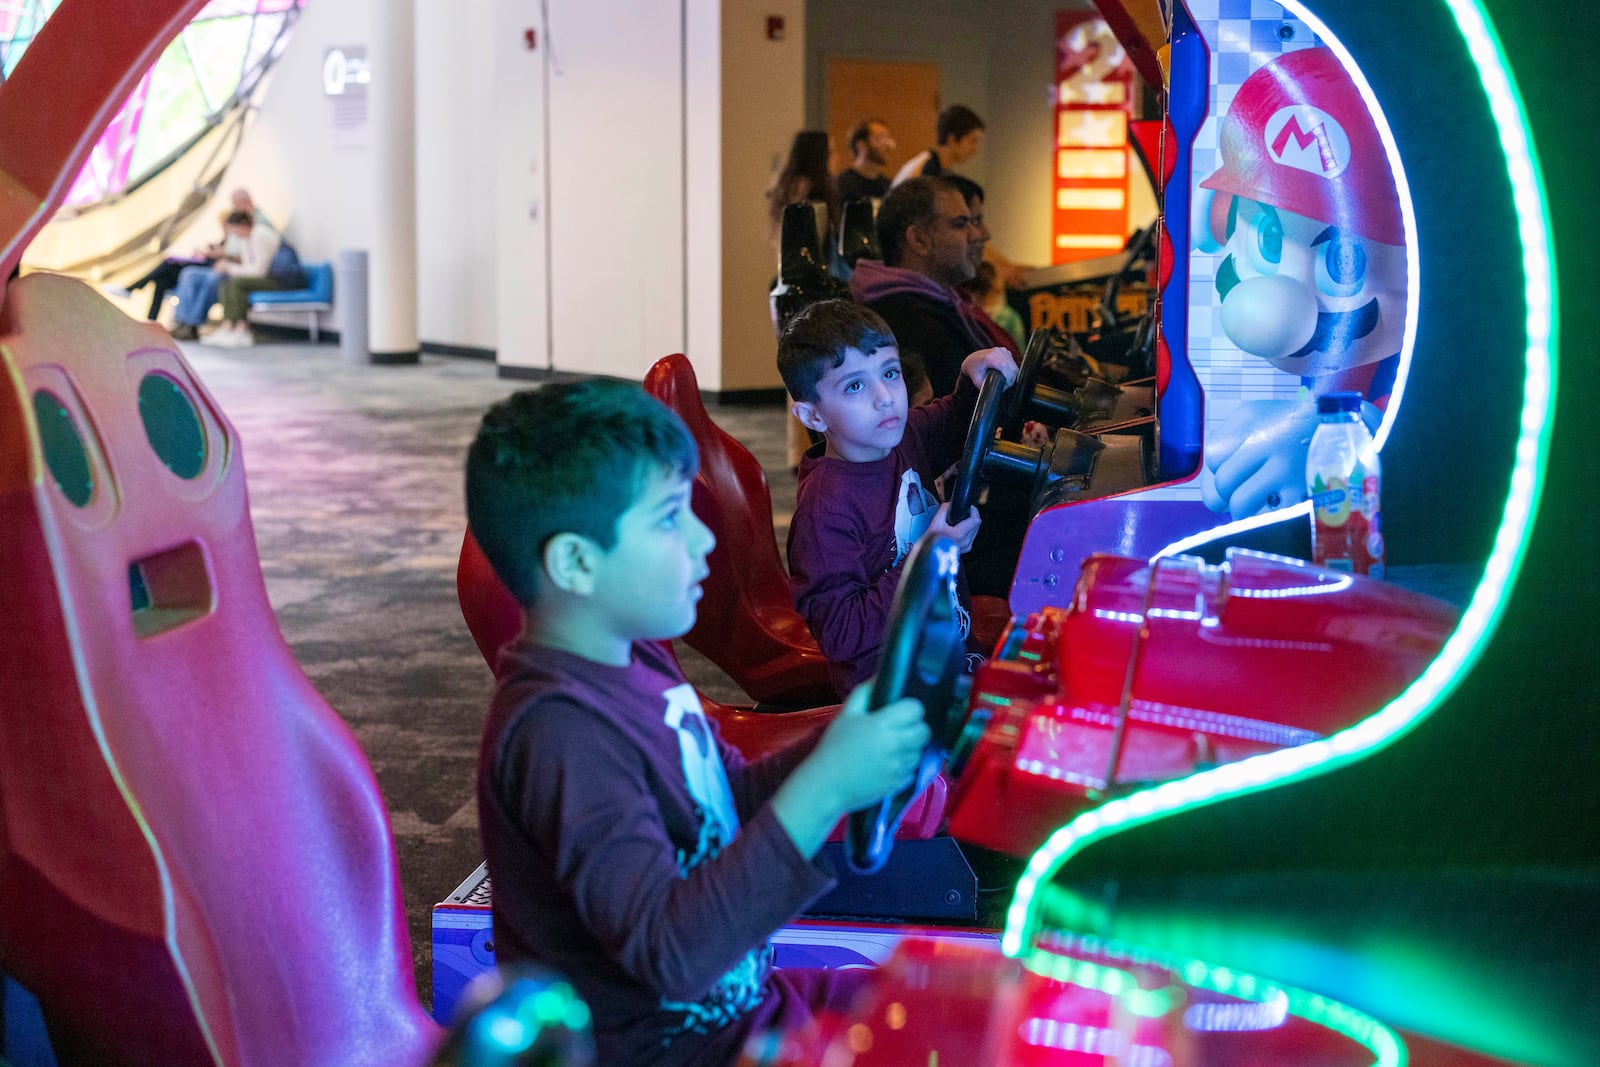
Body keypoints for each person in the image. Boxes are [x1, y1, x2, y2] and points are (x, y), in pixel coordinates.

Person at [466, 379, 932, 1067]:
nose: (702, 536)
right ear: (574, 561)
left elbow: (720, 803)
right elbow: (673, 952)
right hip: (672, 1051)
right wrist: (827, 788)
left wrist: (832, 752)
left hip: (735, 1013)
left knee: (954, 1002)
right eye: (667, 517)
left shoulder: (634, 661)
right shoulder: (560, 734)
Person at [778, 299, 1017, 697]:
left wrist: (970, 372)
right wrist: (930, 556)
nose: (885, 396)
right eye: (855, 386)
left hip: (951, 658)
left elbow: (958, 420)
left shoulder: (901, 437)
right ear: (813, 417)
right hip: (896, 695)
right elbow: (840, 633)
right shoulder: (824, 511)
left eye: (890, 373)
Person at [848, 176, 1007, 398]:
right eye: (960, 224)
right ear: (919, 240)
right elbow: (967, 414)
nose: (978, 235)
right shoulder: (909, 318)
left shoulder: (937, 301)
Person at [115, 188, 264, 322]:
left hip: (221, 266)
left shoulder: (255, 227)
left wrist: (221, 254)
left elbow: (246, 258)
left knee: (172, 264)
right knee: (163, 281)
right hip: (218, 263)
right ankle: (153, 320)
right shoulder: (240, 231)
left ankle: (190, 322)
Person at [170, 209, 280, 342]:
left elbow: (258, 270)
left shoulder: (260, 235)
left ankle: (194, 324)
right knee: (189, 274)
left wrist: (228, 267)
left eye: (234, 230)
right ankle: (182, 321)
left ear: (243, 225)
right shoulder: (245, 238)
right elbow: (246, 263)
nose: (233, 235)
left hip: (273, 278)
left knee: (222, 281)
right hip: (236, 269)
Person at [766, 130, 838, 257]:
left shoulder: (787, 185)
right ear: (818, 156)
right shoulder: (812, 191)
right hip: (809, 262)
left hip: (790, 260)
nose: (836, 157)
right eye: (830, 153)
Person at [891, 104, 984, 187]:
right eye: (973, 141)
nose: (975, 150)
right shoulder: (926, 170)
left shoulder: (936, 166)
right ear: (952, 139)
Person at [834, 118, 895, 203]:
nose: (887, 144)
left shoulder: (889, 187)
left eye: (887, 138)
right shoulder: (840, 184)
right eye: (879, 138)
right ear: (861, 145)